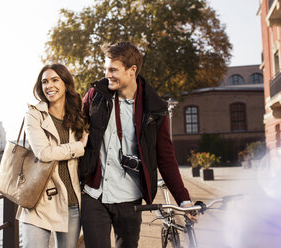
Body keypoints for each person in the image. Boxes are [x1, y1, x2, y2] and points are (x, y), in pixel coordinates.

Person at [79, 41, 197, 248]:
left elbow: (166, 157)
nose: (107, 74)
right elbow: (73, 125)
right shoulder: (96, 95)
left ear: (132, 70)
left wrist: (184, 200)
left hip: (130, 198)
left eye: (113, 69)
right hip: (94, 194)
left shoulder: (155, 109)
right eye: (106, 69)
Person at [16, 64, 88, 248]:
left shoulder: (78, 116)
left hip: (70, 202)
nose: (49, 86)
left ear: (65, 84)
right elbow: (44, 153)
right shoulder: (34, 114)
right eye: (44, 82)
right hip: (38, 202)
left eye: (55, 80)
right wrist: (78, 147)